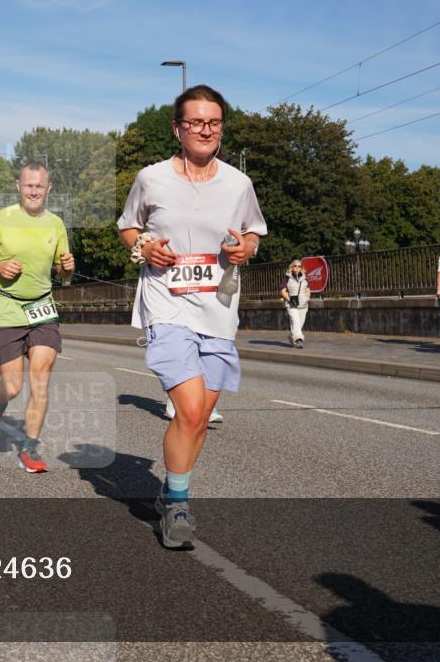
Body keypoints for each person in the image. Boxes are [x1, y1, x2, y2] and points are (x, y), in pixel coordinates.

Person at [117, 85, 266, 549]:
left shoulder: (239, 183)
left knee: (199, 420)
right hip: (166, 302)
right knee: (191, 408)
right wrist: (144, 247)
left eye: (214, 122)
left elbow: (254, 233)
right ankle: (179, 504)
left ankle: (168, 490)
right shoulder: (152, 178)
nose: (206, 130)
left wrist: (245, 248)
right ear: (177, 129)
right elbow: (127, 227)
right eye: (196, 122)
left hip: (218, 309)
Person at [0, 163, 75, 474]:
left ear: (49, 188)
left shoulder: (56, 223)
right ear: (18, 186)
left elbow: (64, 272)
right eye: (28, 185)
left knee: (41, 377)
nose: (33, 191)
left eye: (39, 186)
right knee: (13, 386)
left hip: (42, 307)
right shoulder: (0, 220)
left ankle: (30, 448)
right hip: (7, 307)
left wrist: (67, 267)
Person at [280, 260, 310, 348]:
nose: (297, 267)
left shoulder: (305, 278)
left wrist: (307, 298)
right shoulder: (287, 277)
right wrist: (290, 299)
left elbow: (308, 289)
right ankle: (299, 339)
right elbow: (283, 291)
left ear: (301, 268)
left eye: (299, 266)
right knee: (295, 321)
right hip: (291, 304)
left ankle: (292, 337)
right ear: (292, 267)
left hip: (303, 304)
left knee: (299, 324)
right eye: (295, 266)